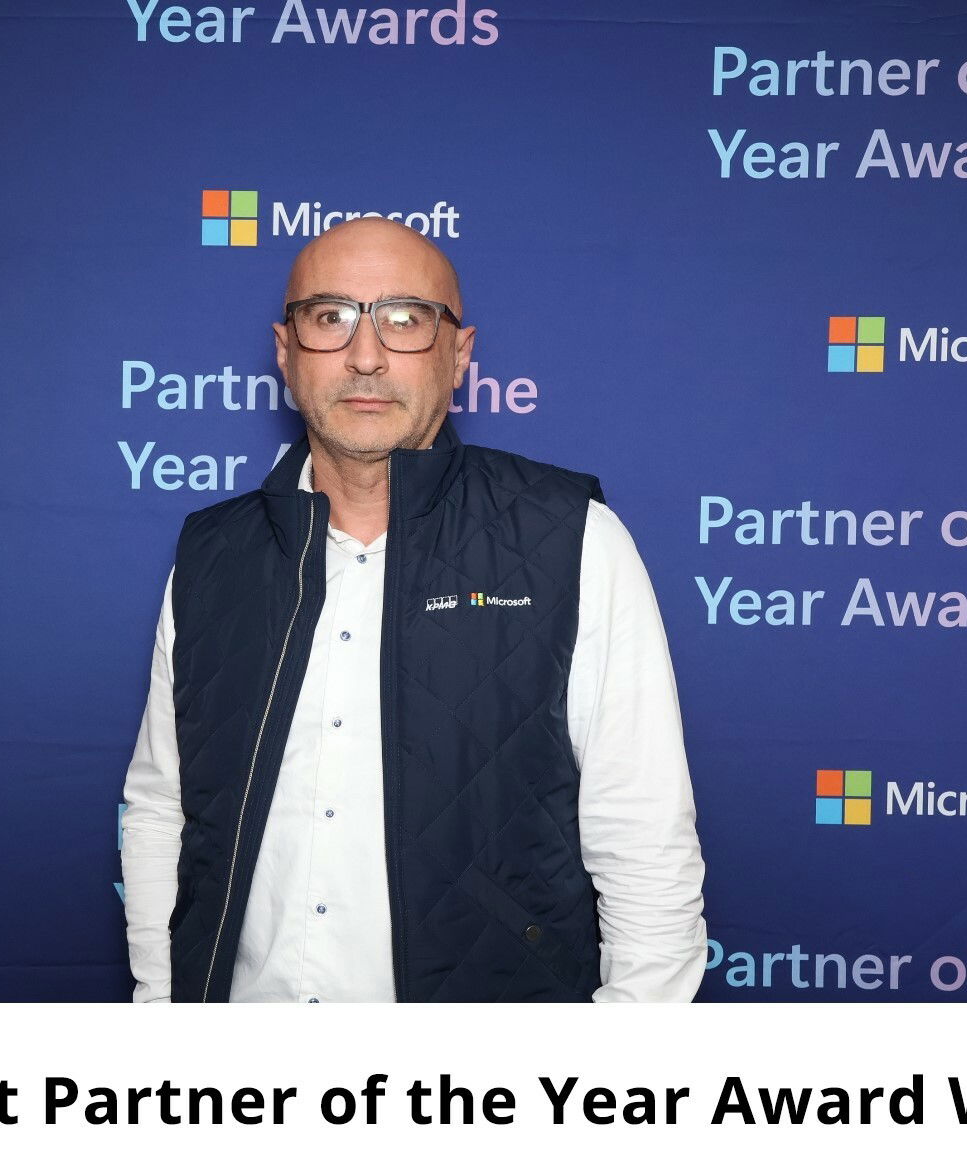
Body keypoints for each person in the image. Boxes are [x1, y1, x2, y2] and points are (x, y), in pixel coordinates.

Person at [120, 216, 705, 1002]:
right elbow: (164, 807)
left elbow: (645, 836)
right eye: (330, 317)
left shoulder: (572, 538)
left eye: (404, 320)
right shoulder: (212, 554)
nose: (365, 356)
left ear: (459, 355)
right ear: (286, 352)